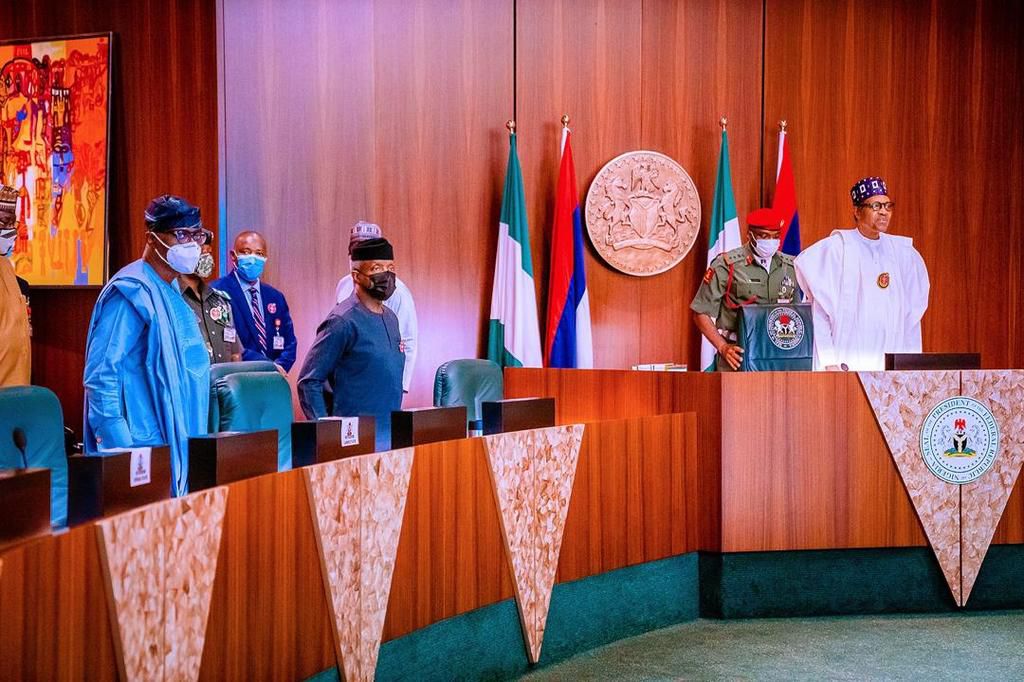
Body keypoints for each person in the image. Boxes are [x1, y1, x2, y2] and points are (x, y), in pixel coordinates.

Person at [83, 195, 211, 495]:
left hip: (177, 435)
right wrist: (121, 451)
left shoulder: (171, 291)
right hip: (139, 445)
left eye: (197, 235)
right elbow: (101, 376)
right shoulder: (131, 291)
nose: (192, 245)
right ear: (152, 238)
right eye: (181, 235)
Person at [794, 177, 929, 371]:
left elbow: (912, 317)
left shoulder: (903, 253)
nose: (883, 212)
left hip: (891, 363)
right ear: (857, 212)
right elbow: (821, 312)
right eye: (875, 206)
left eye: (887, 206)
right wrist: (828, 361)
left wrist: (910, 363)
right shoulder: (835, 249)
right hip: (844, 362)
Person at [298, 237, 405, 450]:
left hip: (389, 435)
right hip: (352, 440)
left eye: (390, 268)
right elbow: (309, 381)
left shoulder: (391, 318)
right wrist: (327, 434)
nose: (386, 274)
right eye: (377, 268)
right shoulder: (342, 321)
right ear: (356, 276)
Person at [690, 207, 800, 371]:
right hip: (739, 353)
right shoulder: (727, 265)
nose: (771, 242)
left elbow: (798, 313)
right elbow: (700, 312)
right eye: (764, 236)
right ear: (750, 235)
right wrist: (722, 347)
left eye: (776, 236)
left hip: (779, 354)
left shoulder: (790, 266)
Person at [334, 221, 418, 395]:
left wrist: (400, 387)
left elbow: (408, 341)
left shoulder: (397, 292)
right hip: (349, 378)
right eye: (356, 250)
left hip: (382, 380)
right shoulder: (343, 285)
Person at [211, 231, 296, 374]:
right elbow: (227, 344)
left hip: (275, 379)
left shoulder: (275, 296)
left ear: (265, 258)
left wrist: (278, 368)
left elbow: (290, 343)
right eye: (246, 252)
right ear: (233, 256)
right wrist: (268, 367)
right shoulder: (217, 292)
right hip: (238, 376)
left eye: (259, 253)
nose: (253, 258)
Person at [181, 234, 243, 364]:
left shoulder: (220, 301)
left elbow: (235, 353)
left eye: (208, 251)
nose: (207, 254)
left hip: (225, 376)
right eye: (200, 249)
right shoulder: (174, 300)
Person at [0, 184, 30, 387]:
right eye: (4, 222)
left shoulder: (6, 266)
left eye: (12, 222)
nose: (11, 230)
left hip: (15, 392)